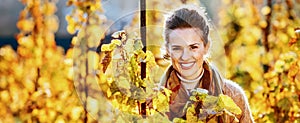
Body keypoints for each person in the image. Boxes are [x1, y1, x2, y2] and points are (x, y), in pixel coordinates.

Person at [158, 5, 254, 122]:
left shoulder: (232, 95)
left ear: (206, 47)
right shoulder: (154, 101)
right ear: (168, 50)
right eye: (177, 48)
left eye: (193, 47)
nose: (185, 56)